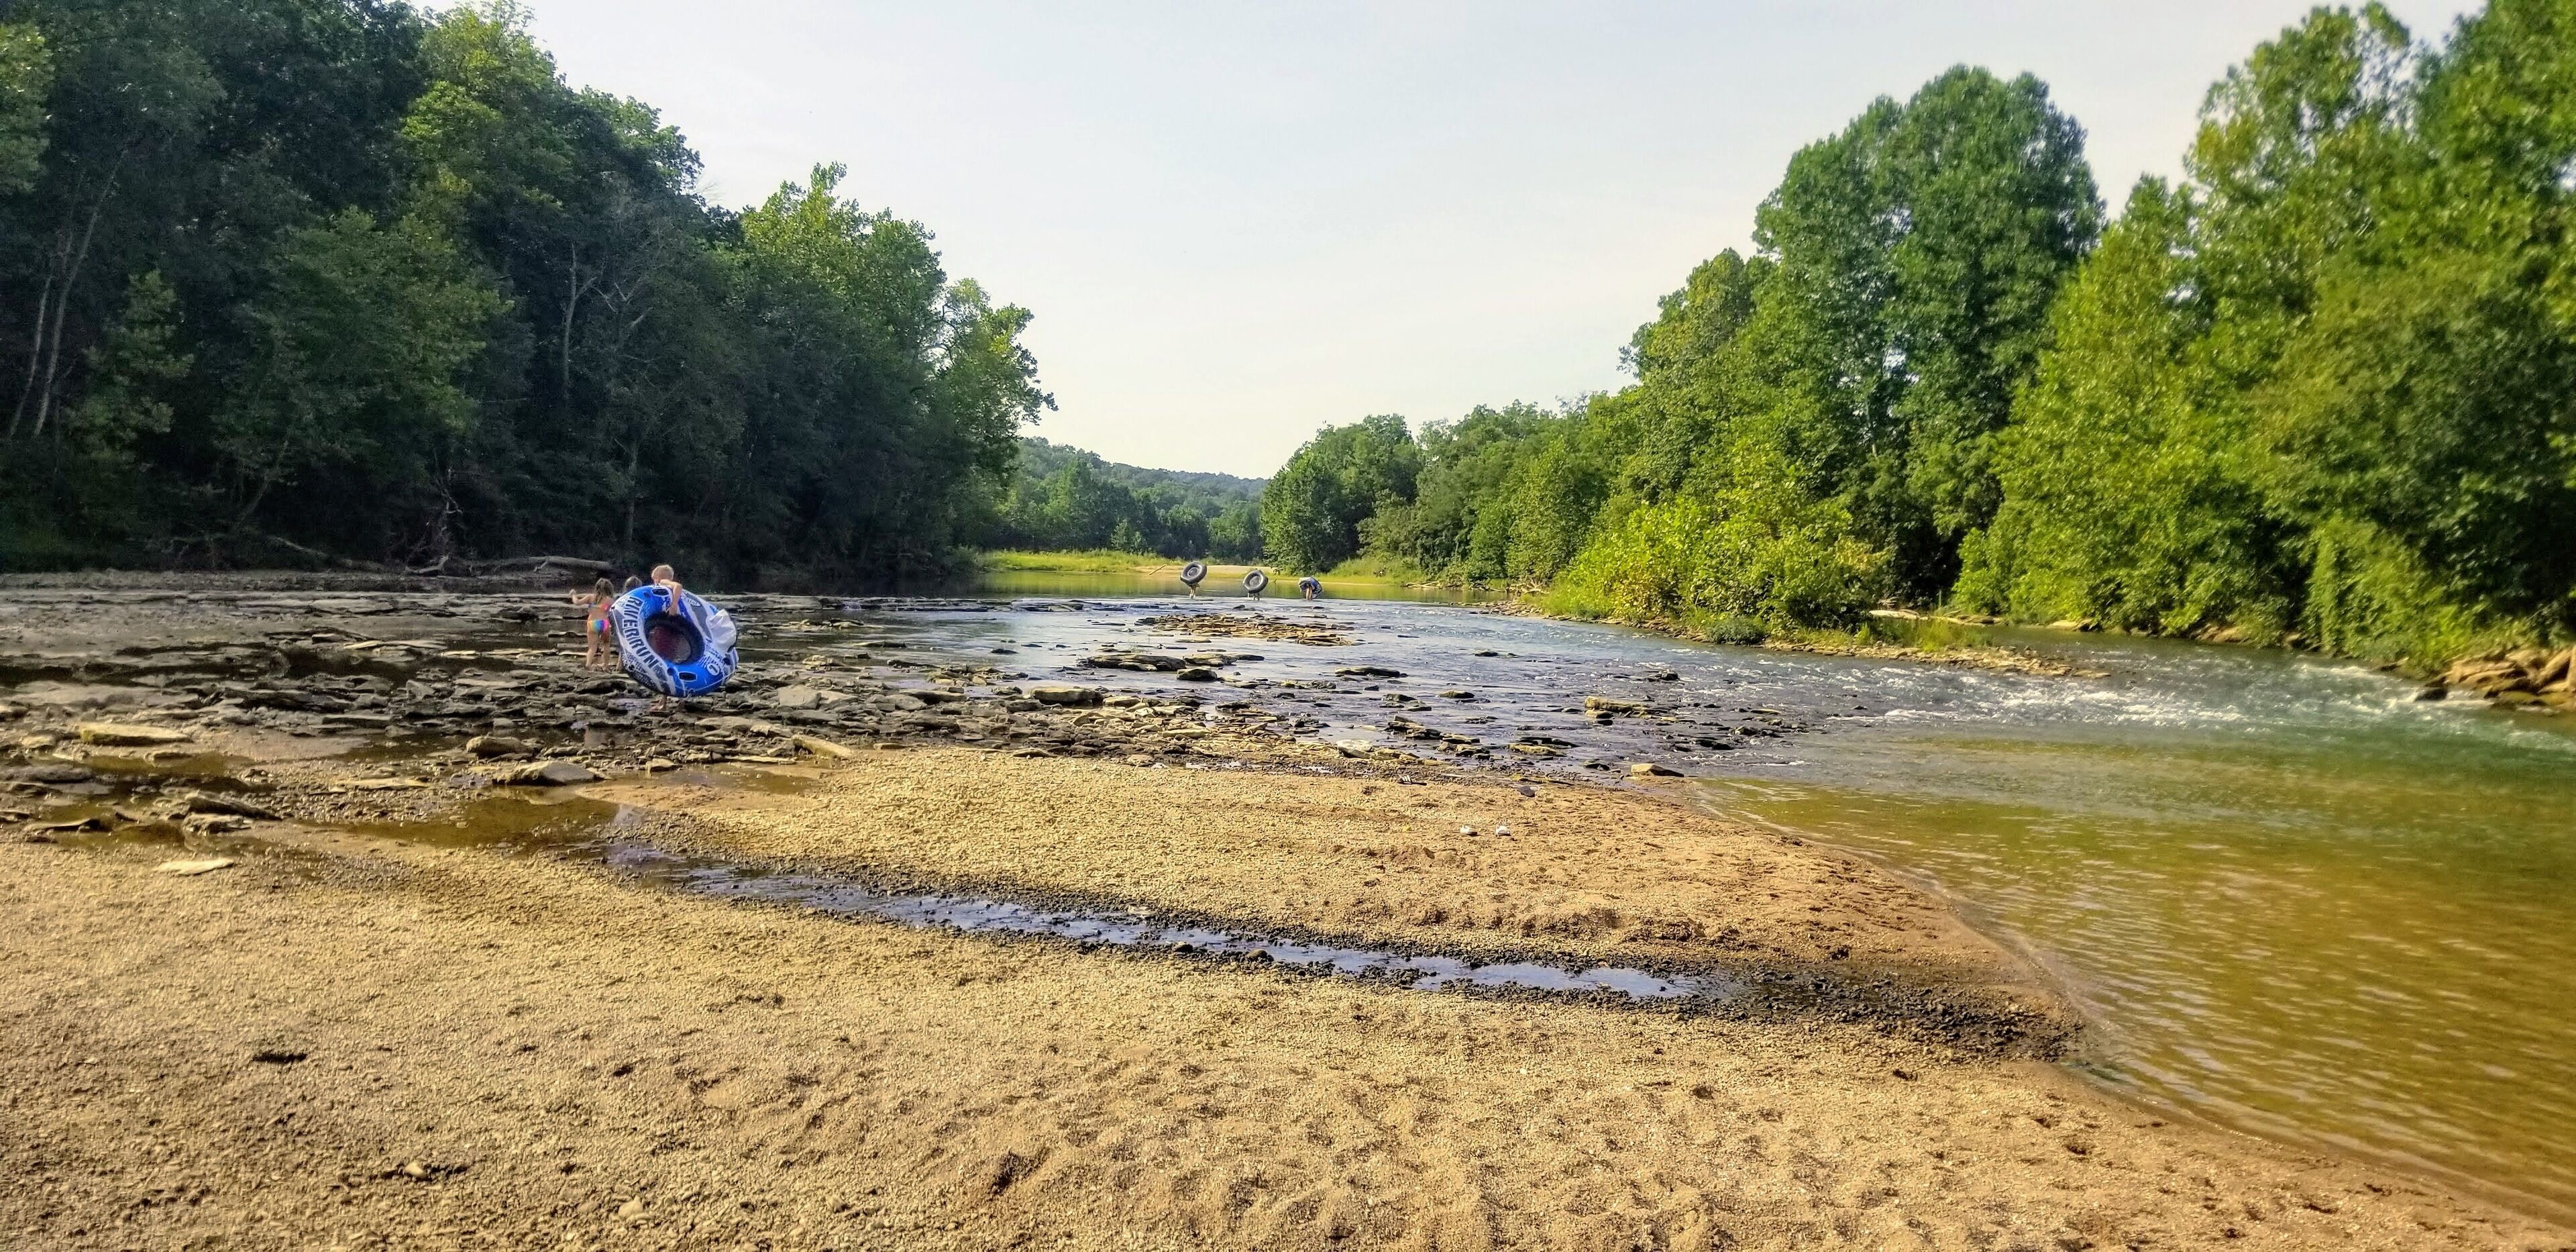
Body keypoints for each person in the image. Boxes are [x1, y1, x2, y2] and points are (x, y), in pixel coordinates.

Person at [572, 578, 616, 670]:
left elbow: (577, 602)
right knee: (606, 644)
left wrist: (573, 595)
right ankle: (605, 665)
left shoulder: (590, 597)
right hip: (604, 623)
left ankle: (588, 664)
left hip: (592, 623)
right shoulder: (609, 600)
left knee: (592, 647)